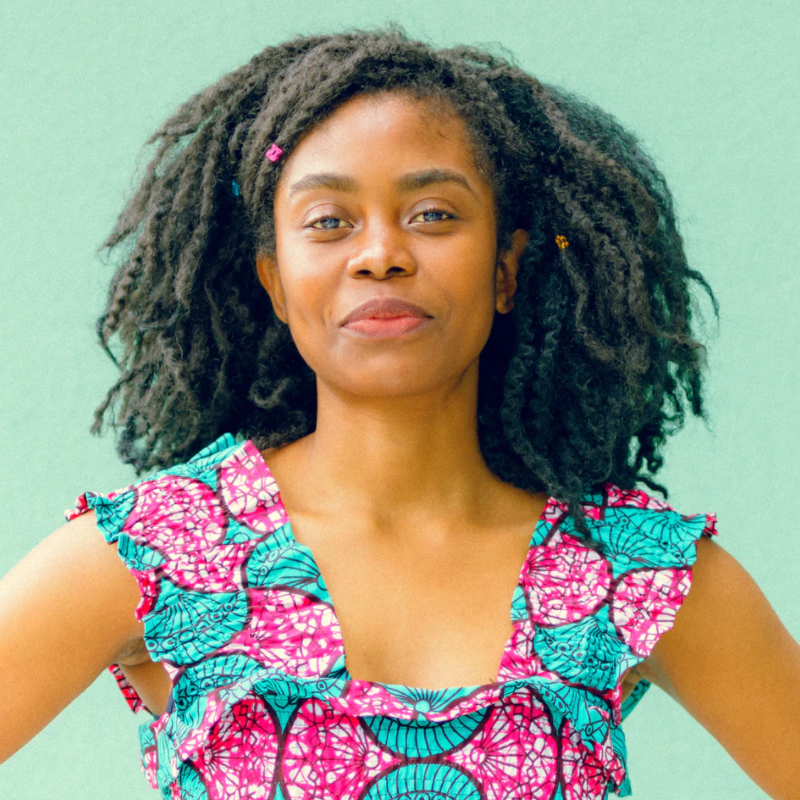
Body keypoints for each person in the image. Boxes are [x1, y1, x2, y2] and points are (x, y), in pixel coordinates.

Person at [1, 24, 798, 800]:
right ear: (273, 281)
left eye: (433, 215)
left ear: (506, 269)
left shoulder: (636, 571)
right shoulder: (155, 552)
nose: (380, 253)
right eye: (328, 222)